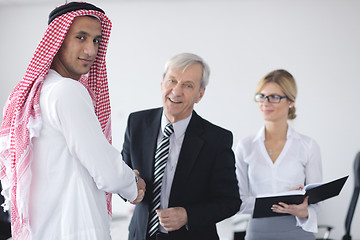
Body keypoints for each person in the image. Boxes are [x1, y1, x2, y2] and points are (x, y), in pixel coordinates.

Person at [0, 2, 145, 240]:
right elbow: (107, 171)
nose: (90, 50)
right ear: (57, 40)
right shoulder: (66, 91)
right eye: (81, 37)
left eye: (97, 40)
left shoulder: (32, 93)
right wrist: (133, 185)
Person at [122, 52, 241, 240]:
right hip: (140, 235)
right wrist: (129, 188)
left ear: (200, 94)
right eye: (172, 81)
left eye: (188, 85)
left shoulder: (217, 139)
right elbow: (124, 173)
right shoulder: (136, 123)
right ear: (162, 84)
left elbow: (230, 202)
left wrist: (188, 215)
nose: (176, 91)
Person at [235, 69, 322, 240]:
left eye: (274, 97)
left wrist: (302, 209)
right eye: (261, 96)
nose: (265, 103)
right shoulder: (245, 146)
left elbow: (317, 202)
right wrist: (284, 202)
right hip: (257, 233)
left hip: (298, 232)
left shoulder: (308, 146)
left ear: (290, 101)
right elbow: (239, 202)